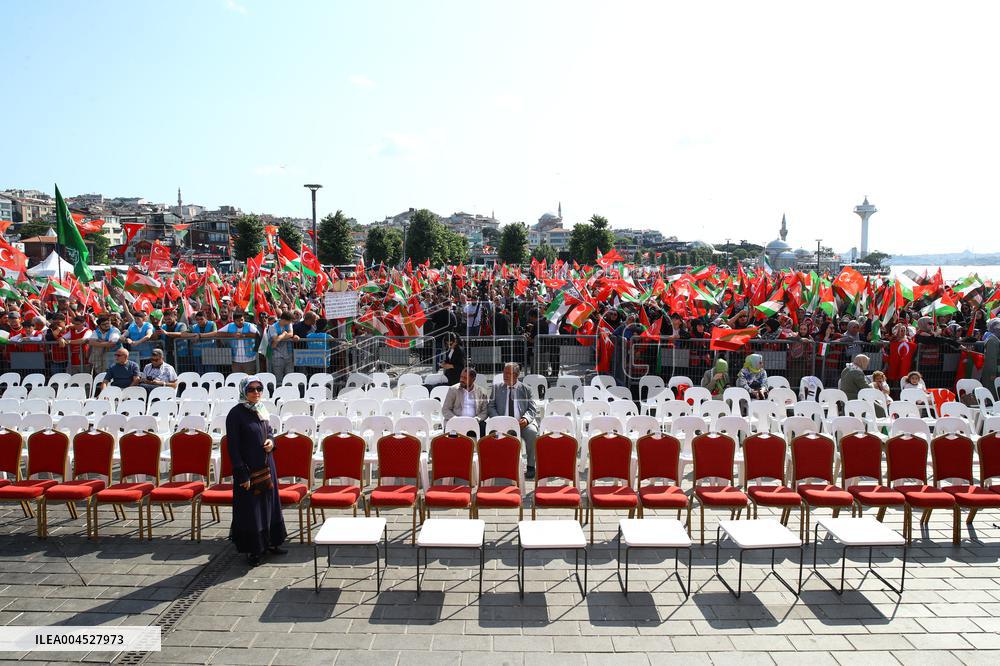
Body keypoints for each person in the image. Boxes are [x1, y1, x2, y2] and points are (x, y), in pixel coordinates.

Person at [227, 376, 287, 566]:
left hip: (267, 463)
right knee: (251, 508)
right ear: (244, 391)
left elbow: (268, 431)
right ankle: (254, 549)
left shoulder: (261, 409)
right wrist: (241, 473)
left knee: (270, 503)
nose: (256, 392)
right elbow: (233, 447)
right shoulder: (235, 414)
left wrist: (271, 441)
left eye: (259, 388)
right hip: (249, 467)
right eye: (251, 389)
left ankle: (271, 542)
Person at [487, 362, 538, 478]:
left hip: (521, 424)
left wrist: (526, 419)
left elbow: (532, 408)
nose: (504, 376)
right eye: (504, 373)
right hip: (501, 423)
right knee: (491, 433)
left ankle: (530, 466)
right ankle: (497, 465)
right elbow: (491, 406)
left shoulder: (526, 389)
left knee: (532, 433)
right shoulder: (497, 388)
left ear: (516, 375)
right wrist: (498, 419)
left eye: (508, 373)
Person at [442, 368, 489, 436]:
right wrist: (455, 419)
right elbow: (445, 410)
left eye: (465, 378)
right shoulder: (453, 390)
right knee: (452, 435)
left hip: (474, 423)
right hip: (456, 423)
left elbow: (485, 411)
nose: (461, 380)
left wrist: (476, 419)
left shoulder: (481, 392)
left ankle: (480, 446)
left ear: (473, 379)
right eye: (461, 377)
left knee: (484, 428)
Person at [267, 311, 298, 385]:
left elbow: (291, 334)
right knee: (278, 378)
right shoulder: (273, 327)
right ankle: (278, 394)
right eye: (290, 321)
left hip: (288, 354)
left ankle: (290, 393)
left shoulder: (289, 324)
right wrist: (284, 334)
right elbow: (275, 340)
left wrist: (280, 337)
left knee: (290, 377)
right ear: (284, 320)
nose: (290, 323)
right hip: (277, 355)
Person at [981, 318, 1000, 398]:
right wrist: (993, 373)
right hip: (992, 372)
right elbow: (991, 359)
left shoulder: (995, 339)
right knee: (992, 392)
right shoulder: (992, 340)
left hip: (995, 371)